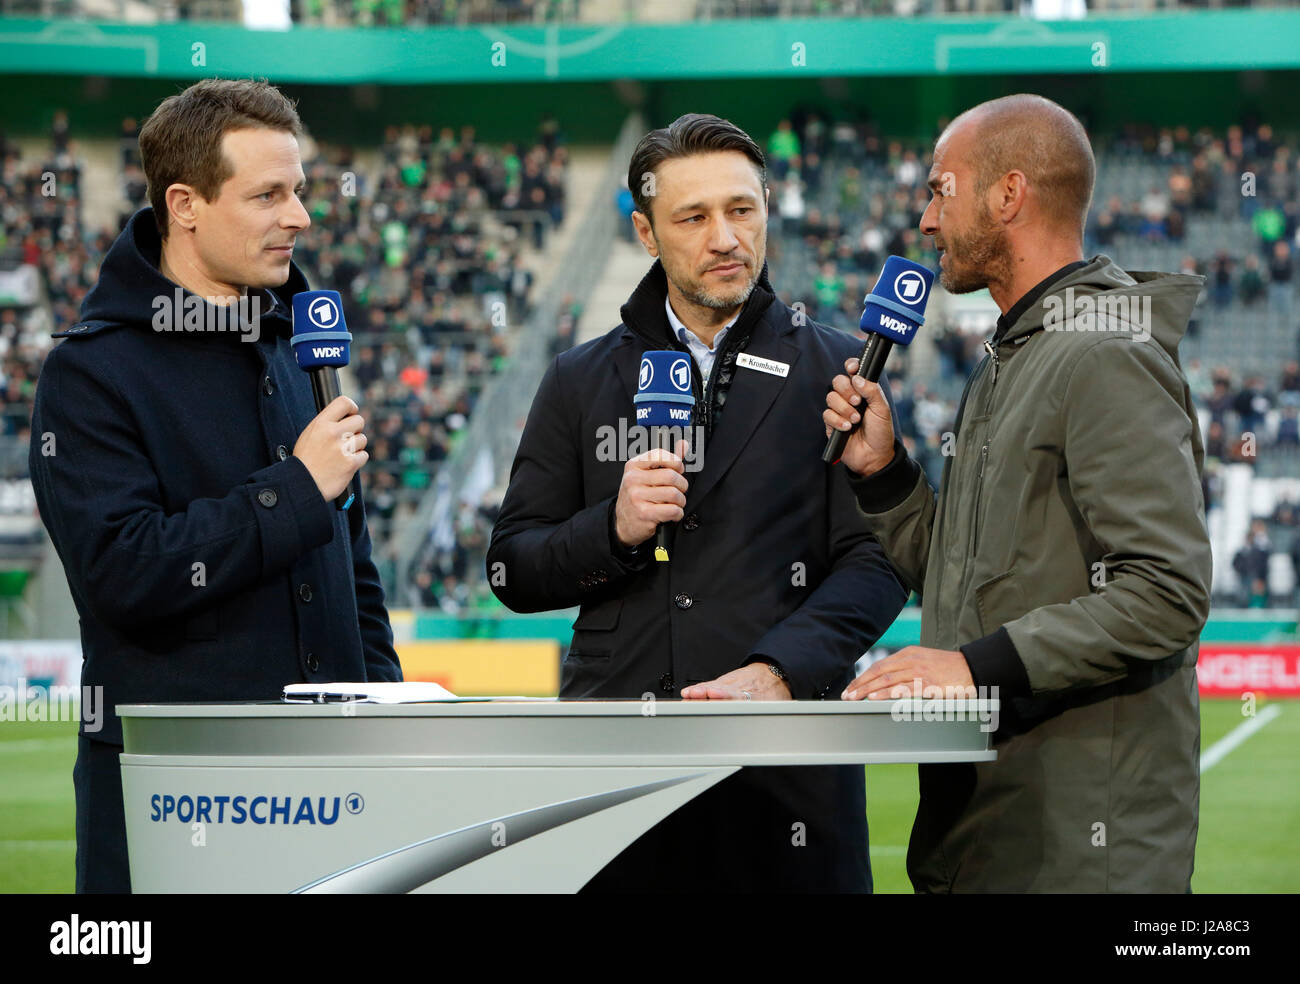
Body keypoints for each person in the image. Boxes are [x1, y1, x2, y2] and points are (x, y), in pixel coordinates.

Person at [487, 113, 907, 892]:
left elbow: (880, 560)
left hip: (787, 777)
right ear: (647, 234)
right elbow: (512, 568)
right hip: (615, 778)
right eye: (694, 217)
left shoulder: (842, 366)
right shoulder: (578, 379)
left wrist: (780, 670)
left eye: (742, 210)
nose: (725, 238)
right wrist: (612, 529)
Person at [826, 94, 1212, 893]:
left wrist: (975, 670)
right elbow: (973, 580)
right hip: (991, 831)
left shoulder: (1104, 352)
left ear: (1008, 195)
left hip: (1075, 851)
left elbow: (1167, 590)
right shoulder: (1015, 354)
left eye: (942, 189)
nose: (927, 220)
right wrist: (888, 473)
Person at [29, 79, 403, 894]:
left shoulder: (302, 346)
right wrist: (297, 488)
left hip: (340, 799)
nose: (300, 216)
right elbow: (124, 573)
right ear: (185, 204)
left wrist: (386, 714)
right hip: (183, 808)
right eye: (268, 194)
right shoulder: (89, 372)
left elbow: (354, 567)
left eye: (300, 190)